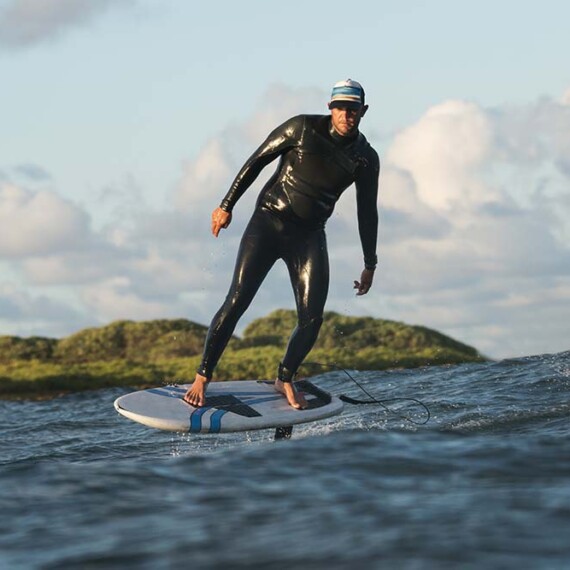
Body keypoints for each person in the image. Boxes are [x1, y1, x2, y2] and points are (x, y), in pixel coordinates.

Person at [184, 79, 380, 410]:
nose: (347, 114)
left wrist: (370, 263)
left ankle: (285, 377)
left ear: (364, 111)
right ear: (330, 108)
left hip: (309, 234)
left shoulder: (365, 158)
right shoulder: (302, 128)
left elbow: (367, 212)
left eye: (354, 108)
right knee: (237, 299)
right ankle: (203, 376)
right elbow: (256, 160)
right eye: (341, 107)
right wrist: (226, 205)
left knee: (312, 318)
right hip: (268, 223)